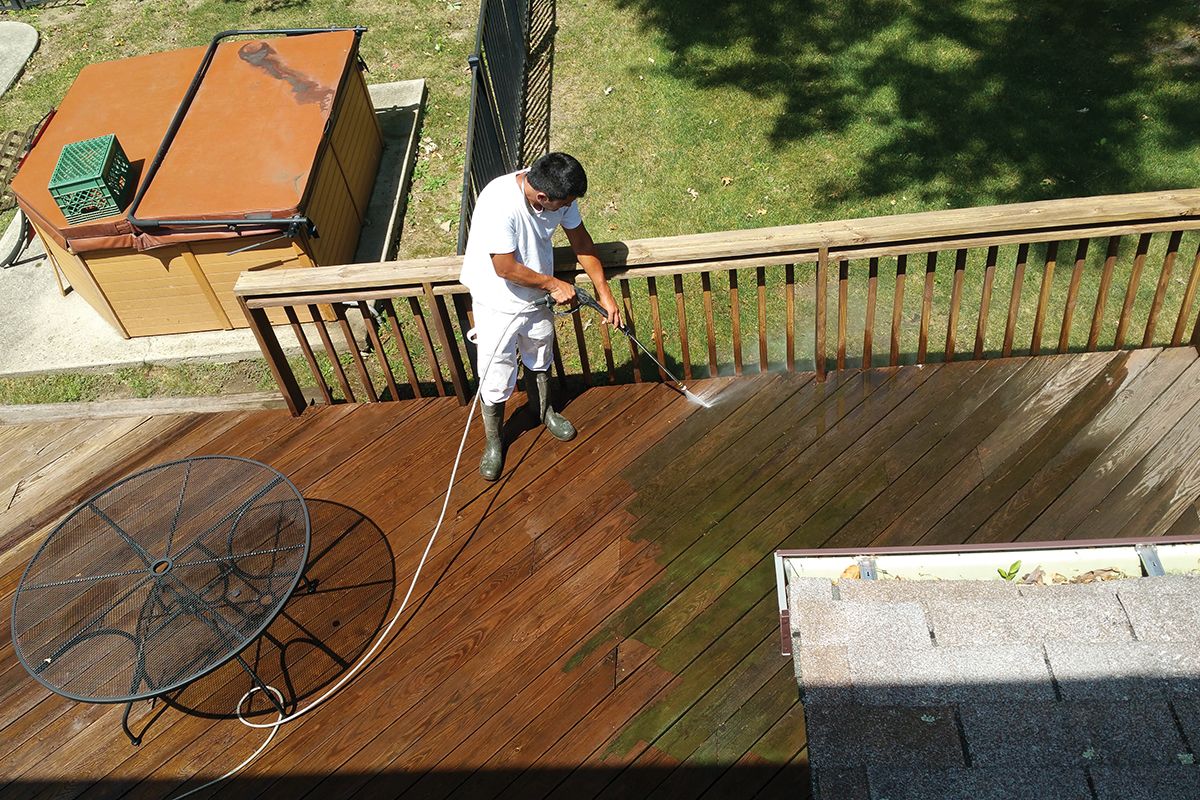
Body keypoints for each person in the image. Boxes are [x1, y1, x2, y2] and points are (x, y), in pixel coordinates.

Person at [460, 152, 621, 481]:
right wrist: (553, 283)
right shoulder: (499, 203)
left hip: (536, 299)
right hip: (496, 303)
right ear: (543, 196)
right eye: (563, 204)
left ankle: (544, 410)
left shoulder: (559, 193)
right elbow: (504, 267)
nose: (567, 209)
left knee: (539, 355)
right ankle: (494, 442)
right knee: (496, 374)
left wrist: (605, 292)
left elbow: (580, 241)